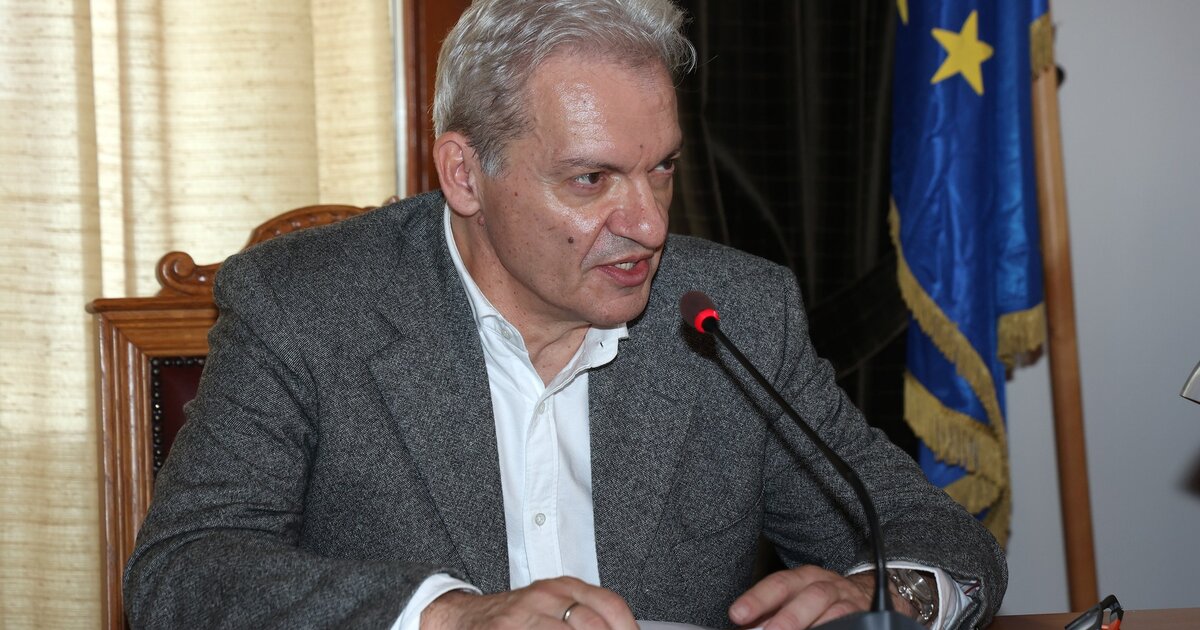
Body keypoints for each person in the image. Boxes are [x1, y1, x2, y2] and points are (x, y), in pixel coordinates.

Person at [123, 0, 1006, 628]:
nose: (649, 225)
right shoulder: (306, 305)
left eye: (661, 168)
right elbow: (182, 572)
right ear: (465, 175)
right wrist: (444, 616)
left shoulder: (733, 313)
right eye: (592, 179)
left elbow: (932, 535)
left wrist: (888, 595)